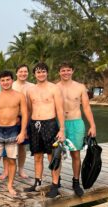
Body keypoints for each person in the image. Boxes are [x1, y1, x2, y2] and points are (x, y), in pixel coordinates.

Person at [25, 62, 65, 198]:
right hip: (35, 124)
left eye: (43, 71)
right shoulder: (30, 90)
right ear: (34, 74)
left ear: (47, 73)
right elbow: (29, 109)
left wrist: (62, 130)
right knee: (37, 155)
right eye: (38, 72)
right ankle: (37, 182)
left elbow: (60, 109)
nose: (41, 74)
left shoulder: (54, 89)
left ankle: (55, 185)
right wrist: (28, 127)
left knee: (52, 156)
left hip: (50, 124)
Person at [56, 62, 96, 197]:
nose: (65, 72)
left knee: (76, 154)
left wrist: (92, 125)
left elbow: (86, 107)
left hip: (76, 122)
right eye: (63, 70)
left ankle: (75, 182)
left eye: (68, 70)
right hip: (60, 123)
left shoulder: (80, 87)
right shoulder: (55, 88)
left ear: (72, 71)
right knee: (57, 153)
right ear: (59, 72)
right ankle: (57, 181)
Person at [0, 71, 28, 196]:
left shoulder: (19, 96)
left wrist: (22, 132)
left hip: (13, 130)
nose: (5, 82)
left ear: (12, 80)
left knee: (12, 160)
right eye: (2, 80)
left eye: (7, 80)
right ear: (0, 82)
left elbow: (25, 114)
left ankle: (10, 185)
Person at [0, 64, 35, 180]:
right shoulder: (11, 85)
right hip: (12, 120)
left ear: (28, 73)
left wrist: (27, 122)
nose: (23, 74)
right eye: (20, 71)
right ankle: (6, 170)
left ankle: (21, 168)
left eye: (25, 71)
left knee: (22, 146)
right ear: (16, 73)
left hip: (27, 119)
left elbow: (32, 107)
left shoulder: (32, 87)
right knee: (6, 145)